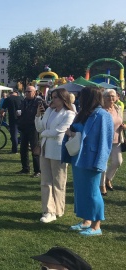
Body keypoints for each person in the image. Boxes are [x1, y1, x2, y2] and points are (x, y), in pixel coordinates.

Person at [62, 87, 113, 236]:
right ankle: (86, 221)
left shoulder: (103, 115)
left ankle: (97, 225)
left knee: (92, 192)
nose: (79, 98)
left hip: (91, 159)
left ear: (90, 97)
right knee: (81, 192)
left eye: (82, 96)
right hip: (78, 158)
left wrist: (101, 162)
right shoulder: (83, 113)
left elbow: (105, 141)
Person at [34, 88, 75, 223]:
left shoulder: (69, 113)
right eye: (52, 97)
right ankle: (48, 210)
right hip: (45, 149)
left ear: (63, 99)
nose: (53, 99)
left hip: (58, 150)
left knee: (58, 182)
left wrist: (44, 133)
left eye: (56, 97)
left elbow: (59, 131)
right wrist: (37, 116)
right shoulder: (50, 111)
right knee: (45, 181)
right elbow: (40, 127)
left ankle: (58, 209)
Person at [17, 86, 47, 177]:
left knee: (35, 150)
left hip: (34, 128)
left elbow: (47, 110)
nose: (26, 93)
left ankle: (37, 170)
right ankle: (25, 168)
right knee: (23, 149)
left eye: (29, 91)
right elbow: (20, 111)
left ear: (34, 92)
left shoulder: (39, 102)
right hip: (24, 127)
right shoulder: (24, 101)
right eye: (26, 91)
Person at [100, 89, 125, 196]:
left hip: (117, 139)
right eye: (108, 96)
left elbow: (120, 121)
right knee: (103, 164)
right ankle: (102, 185)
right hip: (104, 140)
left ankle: (108, 178)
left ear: (116, 98)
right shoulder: (101, 110)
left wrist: (123, 126)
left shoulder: (117, 108)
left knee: (118, 161)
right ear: (103, 97)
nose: (111, 98)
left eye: (113, 96)